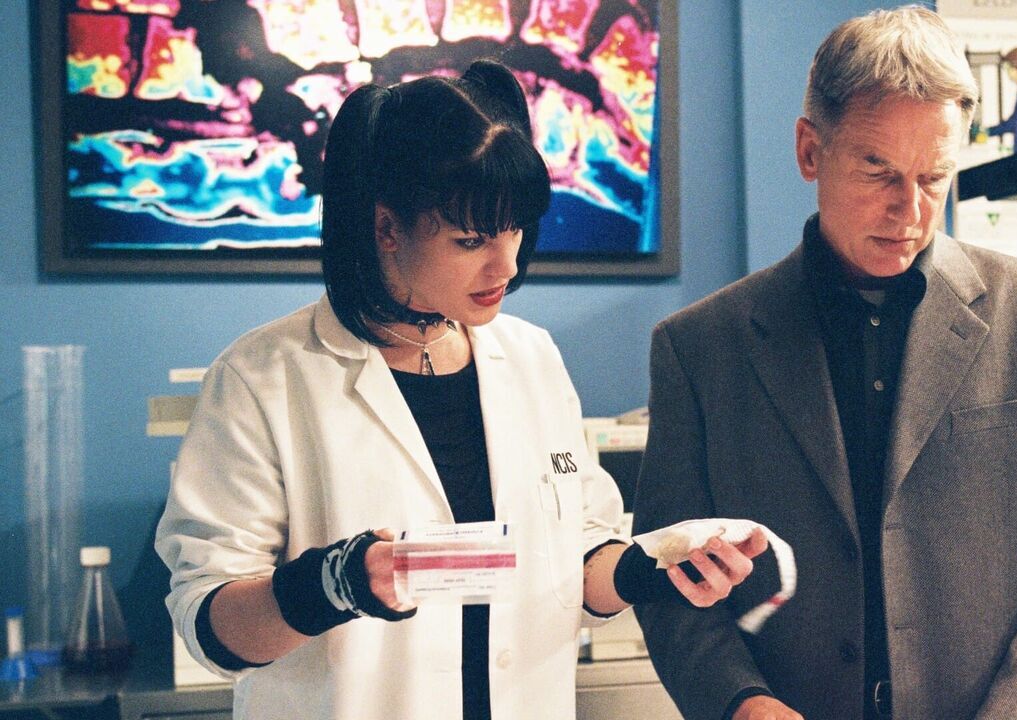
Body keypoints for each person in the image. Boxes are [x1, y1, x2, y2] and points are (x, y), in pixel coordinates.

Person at [154, 59, 765, 720]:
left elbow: (578, 561)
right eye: (471, 239)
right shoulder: (262, 376)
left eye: (515, 230)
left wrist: (651, 570)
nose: (507, 265)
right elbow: (208, 625)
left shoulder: (531, 357)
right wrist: (333, 585)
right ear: (387, 228)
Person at [631, 7, 1017, 720]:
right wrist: (740, 702)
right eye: (877, 169)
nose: (908, 211)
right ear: (810, 151)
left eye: (934, 176)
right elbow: (668, 582)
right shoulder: (700, 348)